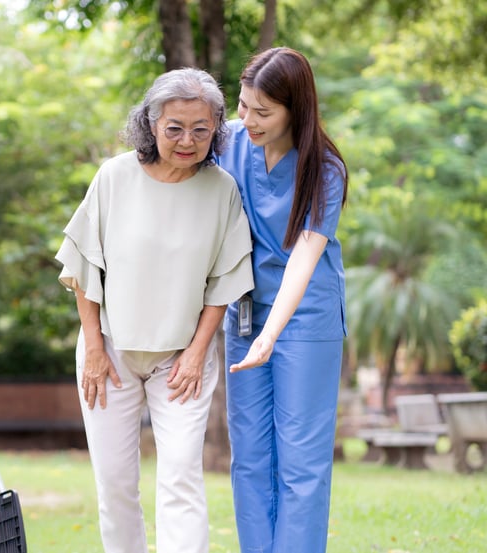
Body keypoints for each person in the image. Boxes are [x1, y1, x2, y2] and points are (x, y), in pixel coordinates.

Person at [55, 67, 254, 553]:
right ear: (150, 124)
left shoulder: (222, 189)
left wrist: (196, 352)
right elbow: (85, 268)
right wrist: (96, 349)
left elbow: (222, 283)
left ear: (217, 129)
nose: (187, 140)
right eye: (175, 128)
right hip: (110, 354)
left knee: (182, 478)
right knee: (116, 484)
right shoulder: (114, 177)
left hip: (182, 360)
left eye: (201, 130)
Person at [217, 47, 349, 553]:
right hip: (245, 313)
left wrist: (270, 338)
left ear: (296, 109)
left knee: (300, 461)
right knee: (249, 457)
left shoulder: (325, 170)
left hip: (305, 318)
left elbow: (303, 258)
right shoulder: (229, 140)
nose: (247, 120)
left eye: (263, 112)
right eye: (244, 106)